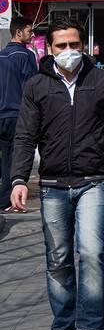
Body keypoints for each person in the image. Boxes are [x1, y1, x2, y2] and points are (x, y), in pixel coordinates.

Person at [10, 18, 104, 330]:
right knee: (58, 259)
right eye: (61, 46)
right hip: (52, 186)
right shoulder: (37, 86)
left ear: (83, 45)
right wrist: (19, 179)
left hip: (92, 181)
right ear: (49, 49)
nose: (69, 51)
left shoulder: (103, 82)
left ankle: (88, 326)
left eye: (74, 45)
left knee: (92, 253)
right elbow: (25, 137)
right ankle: (63, 325)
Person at [0, 17, 37, 212]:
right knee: (14, 159)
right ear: (18, 32)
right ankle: (8, 199)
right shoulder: (26, 56)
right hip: (17, 115)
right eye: (29, 31)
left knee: (5, 158)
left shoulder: (1, 56)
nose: (32, 34)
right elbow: (31, 87)